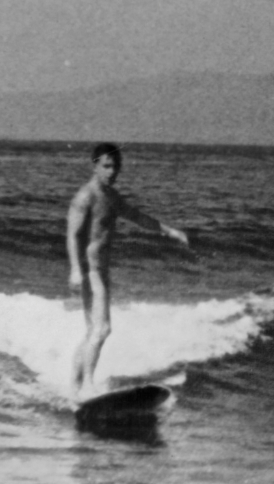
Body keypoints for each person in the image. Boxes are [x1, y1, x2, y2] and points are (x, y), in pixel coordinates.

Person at [67, 143, 188, 402]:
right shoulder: (85, 196)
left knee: (93, 332)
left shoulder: (112, 197)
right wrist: (76, 270)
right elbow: (73, 235)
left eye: (115, 167)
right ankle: (87, 386)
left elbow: (138, 217)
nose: (112, 172)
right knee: (102, 329)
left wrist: (170, 231)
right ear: (95, 165)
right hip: (90, 272)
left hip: (102, 271)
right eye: (106, 166)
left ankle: (73, 387)